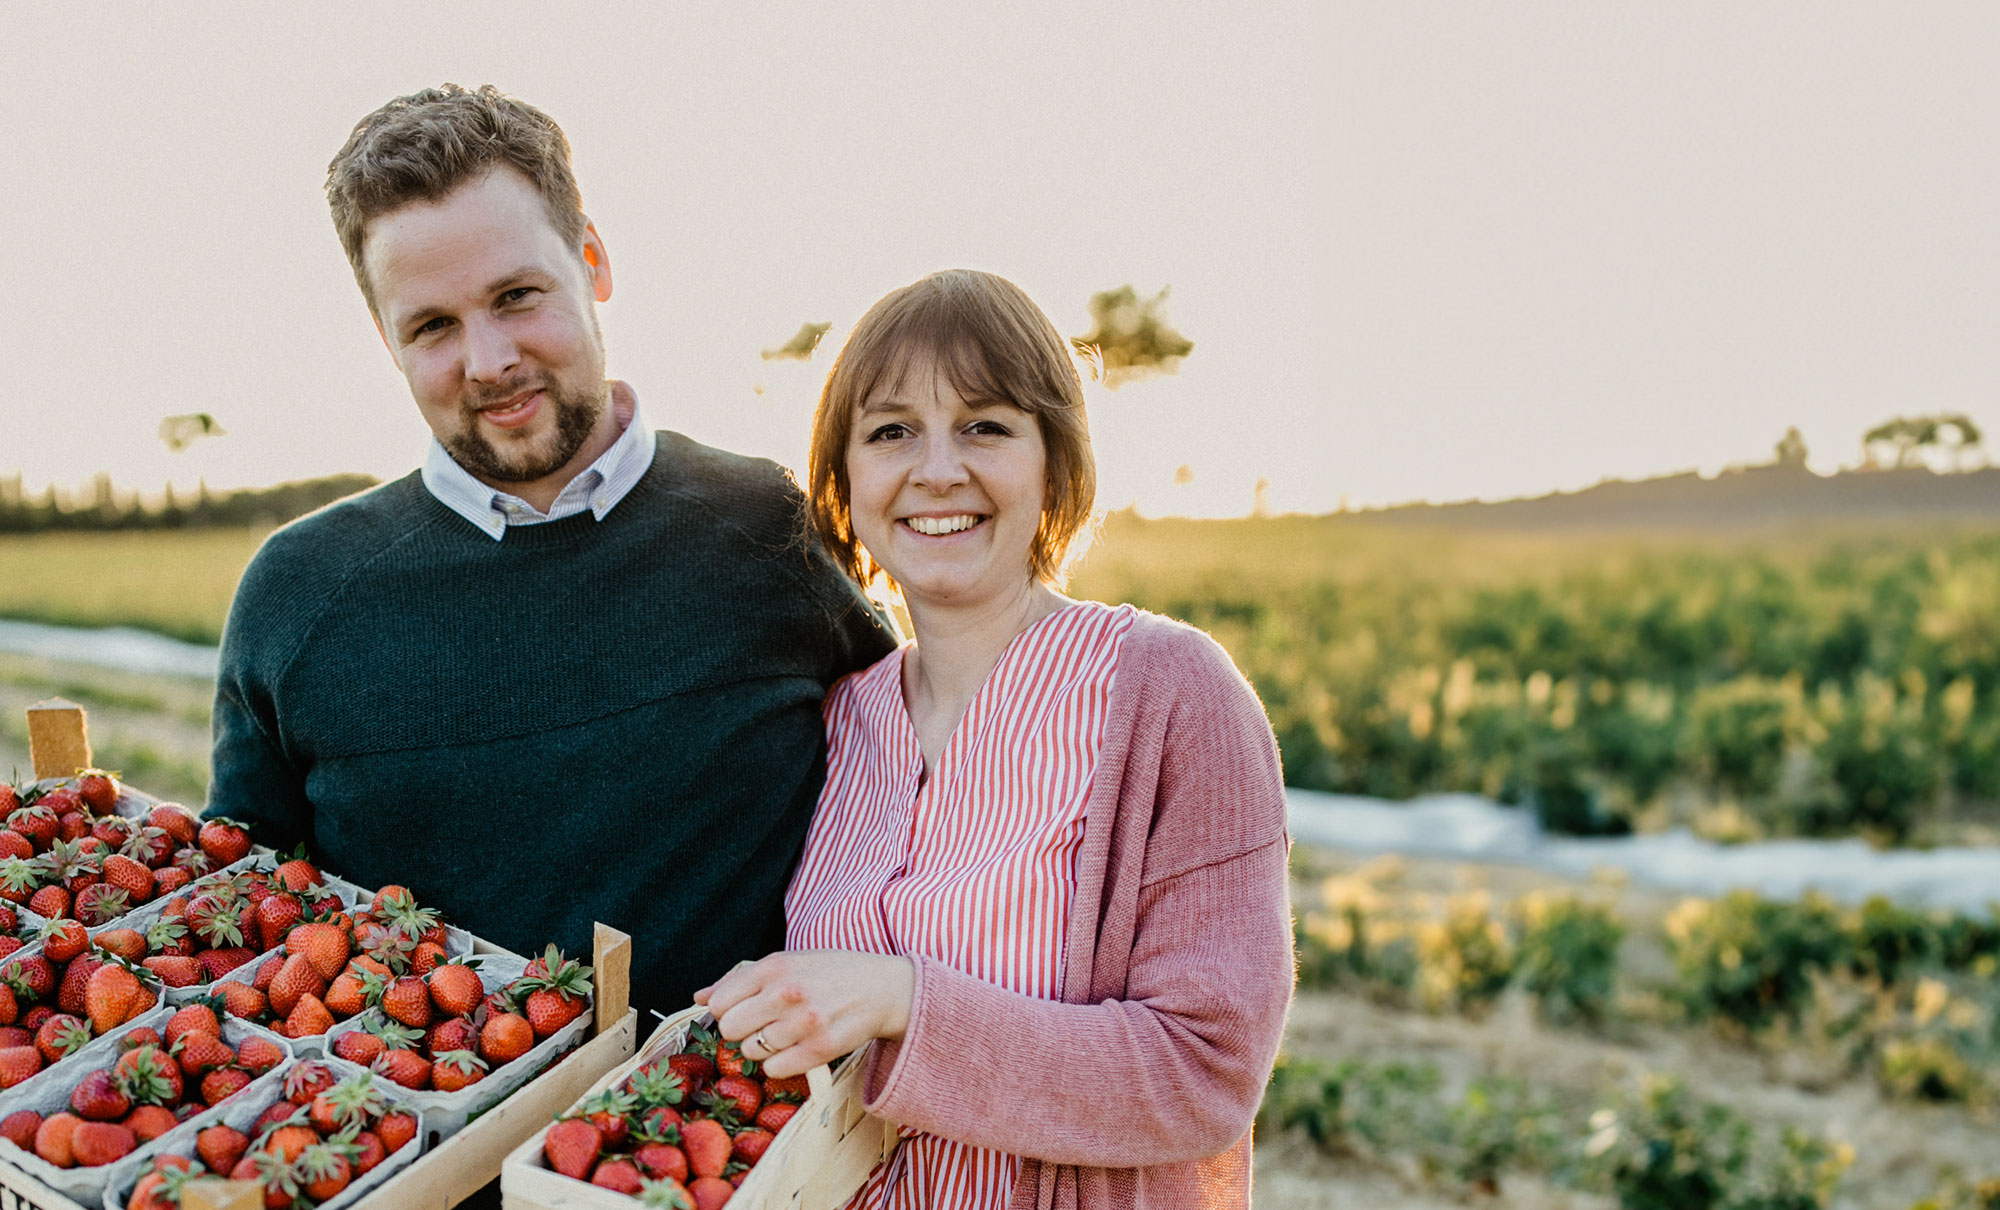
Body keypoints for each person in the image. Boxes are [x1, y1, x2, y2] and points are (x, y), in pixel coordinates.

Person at [205, 84, 896, 1016]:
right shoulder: (297, 596)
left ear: (592, 259)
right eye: (433, 326)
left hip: (743, 1140)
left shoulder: (768, 525)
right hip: (417, 1145)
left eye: (517, 296)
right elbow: (239, 924)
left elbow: (925, 781)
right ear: (385, 337)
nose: (488, 359)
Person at [697, 270, 1293, 1209]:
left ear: (1054, 463)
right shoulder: (840, 720)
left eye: (986, 425)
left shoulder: (1171, 694)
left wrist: (904, 1000)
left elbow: (1203, 1073)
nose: (937, 468)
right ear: (846, 479)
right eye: (891, 431)